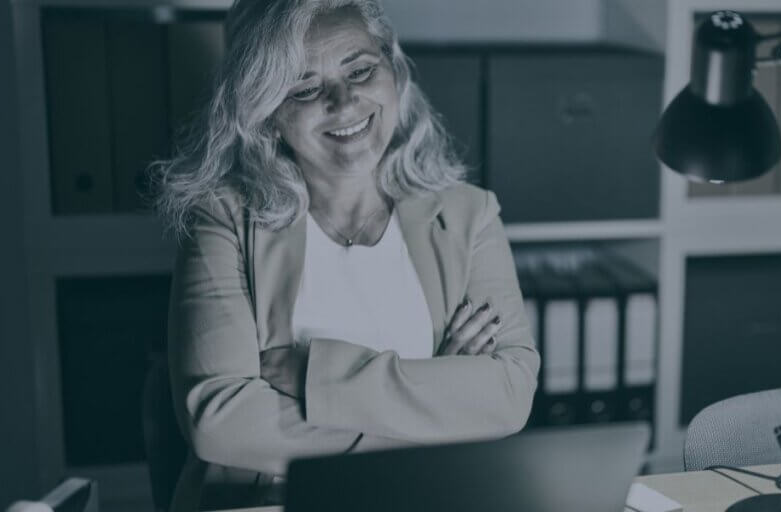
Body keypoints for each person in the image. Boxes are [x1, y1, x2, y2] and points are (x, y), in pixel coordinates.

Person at [151, 0, 540, 509]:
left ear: (394, 75)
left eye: (360, 70)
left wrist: (317, 375)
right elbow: (220, 419)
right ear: (266, 113)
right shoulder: (222, 218)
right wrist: (435, 404)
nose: (344, 101)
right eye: (306, 88)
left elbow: (508, 395)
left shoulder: (470, 216)